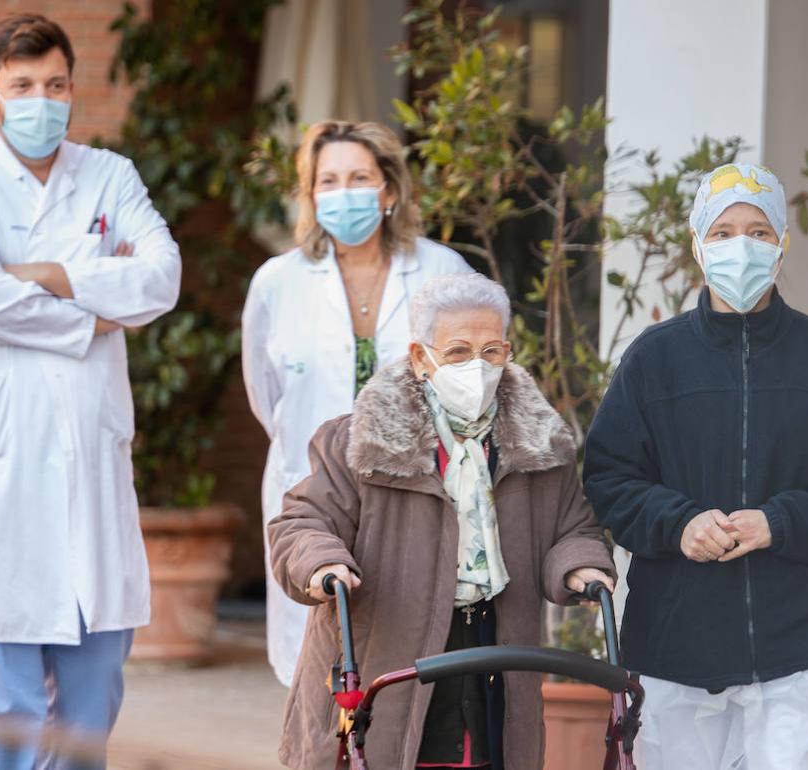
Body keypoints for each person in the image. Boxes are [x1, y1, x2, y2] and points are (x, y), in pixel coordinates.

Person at [0, 13, 181, 769]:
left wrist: (54, 274)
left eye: (55, 84)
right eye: (23, 86)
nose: (42, 100)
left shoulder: (109, 176)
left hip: (89, 477)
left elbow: (160, 277)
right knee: (2, 717)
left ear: (73, 87)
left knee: (89, 716)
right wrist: (93, 316)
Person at [583, 163, 808, 770]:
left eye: (758, 230)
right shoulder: (655, 358)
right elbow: (609, 477)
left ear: (781, 242)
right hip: (675, 647)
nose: (741, 246)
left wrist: (778, 522)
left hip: (802, 647)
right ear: (698, 243)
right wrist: (679, 523)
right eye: (723, 232)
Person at [269, 273, 616, 769]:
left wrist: (580, 565)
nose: (476, 366)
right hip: (386, 656)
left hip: (491, 652)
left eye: (490, 351)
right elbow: (301, 522)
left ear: (507, 352)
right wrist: (324, 562)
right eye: (456, 352)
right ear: (419, 357)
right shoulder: (357, 442)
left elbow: (572, 528)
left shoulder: (539, 448)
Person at [242, 120, 472, 686]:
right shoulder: (278, 283)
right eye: (328, 181)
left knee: (406, 671)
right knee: (314, 676)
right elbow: (264, 392)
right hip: (312, 495)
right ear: (312, 195)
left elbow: (472, 382)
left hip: (417, 494)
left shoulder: (443, 272)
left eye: (359, 178)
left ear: (388, 190)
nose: (343, 193)